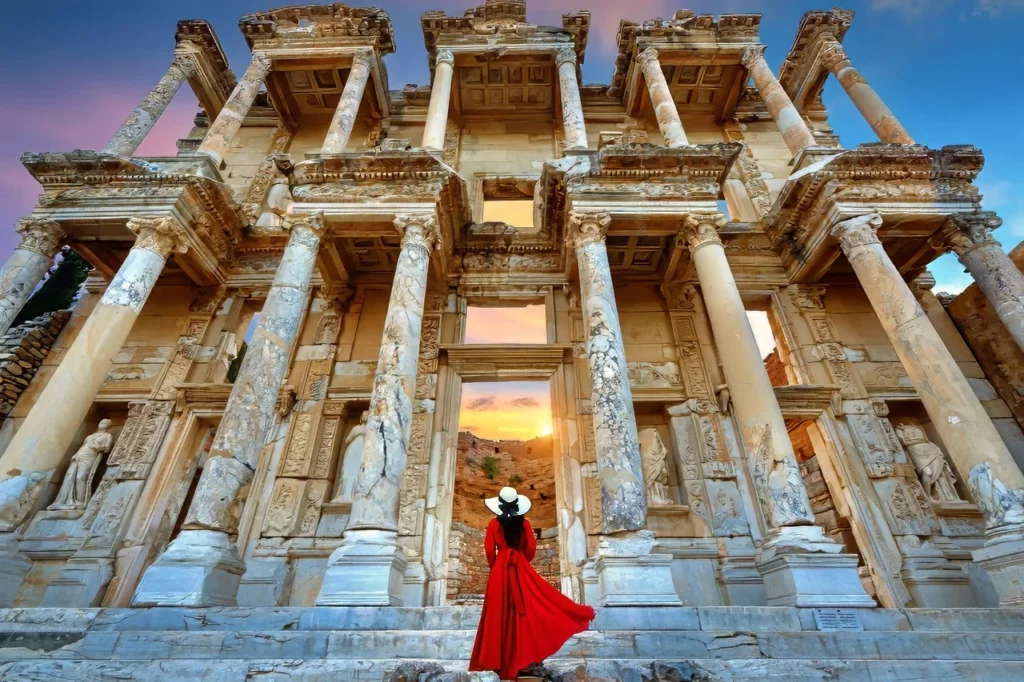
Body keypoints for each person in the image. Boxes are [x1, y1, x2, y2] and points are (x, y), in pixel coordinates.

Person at [469, 486, 595, 680]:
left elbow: (488, 550)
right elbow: (531, 549)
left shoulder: (493, 524)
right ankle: (524, 657)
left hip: (500, 570)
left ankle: (496, 661)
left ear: (500, 505)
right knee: (529, 610)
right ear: (517, 505)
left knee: (498, 613)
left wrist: (497, 566)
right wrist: (521, 561)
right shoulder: (525, 524)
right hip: (519, 566)